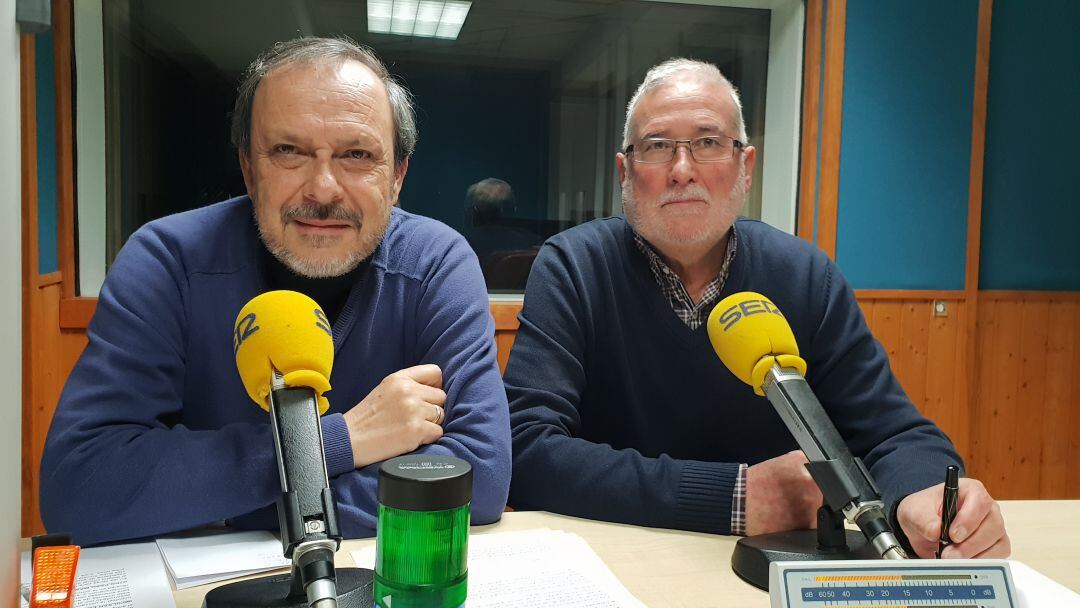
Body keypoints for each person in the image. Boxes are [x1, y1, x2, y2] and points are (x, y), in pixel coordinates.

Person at [505, 58, 1009, 560]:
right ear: (625, 171)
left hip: (775, 576)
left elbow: (895, 434)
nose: (683, 170)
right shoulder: (573, 266)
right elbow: (525, 448)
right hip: (616, 560)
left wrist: (921, 497)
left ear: (746, 165)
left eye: (707, 143)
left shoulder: (805, 275)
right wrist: (732, 497)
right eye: (657, 147)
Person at [40, 37, 511, 546]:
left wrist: (236, 505)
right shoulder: (168, 260)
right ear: (248, 168)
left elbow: (477, 477)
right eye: (289, 151)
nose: (324, 188)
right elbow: (80, 485)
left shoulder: (438, 263)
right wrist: (338, 441)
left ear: (397, 176)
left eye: (357, 155)